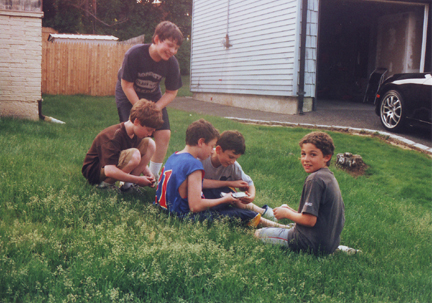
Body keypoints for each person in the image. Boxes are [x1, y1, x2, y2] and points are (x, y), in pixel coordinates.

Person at [155, 119, 286, 227]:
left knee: (226, 194)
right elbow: (195, 206)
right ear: (201, 142)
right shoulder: (194, 164)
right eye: (211, 146)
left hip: (166, 209)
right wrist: (223, 200)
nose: (212, 151)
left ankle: (263, 212)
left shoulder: (174, 156)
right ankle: (282, 229)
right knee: (244, 215)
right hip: (185, 217)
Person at [254, 131, 345, 255]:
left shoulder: (315, 179)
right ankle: (340, 249)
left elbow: (309, 221)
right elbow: (318, 218)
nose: (306, 159)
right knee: (291, 225)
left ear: (326, 157)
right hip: (330, 243)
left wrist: (286, 213)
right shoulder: (329, 177)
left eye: (312, 154)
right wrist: (293, 212)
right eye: (303, 154)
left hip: (309, 242)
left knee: (258, 234)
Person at [115, 21, 183, 181]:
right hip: (128, 95)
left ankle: (154, 176)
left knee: (164, 133)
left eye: (176, 48)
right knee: (134, 133)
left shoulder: (172, 63)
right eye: (169, 45)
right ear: (157, 39)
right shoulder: (134, 54)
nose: (173, 51)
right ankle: (125, 176)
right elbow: (127, 85)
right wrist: (141, 109)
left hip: (153, 97)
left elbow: (172, 92)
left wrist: (155, 108)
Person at [82, 99, 163, 192]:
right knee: (135, 154)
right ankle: (105, 186)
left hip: (112, 165)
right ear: (136, 122)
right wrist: (138, 179)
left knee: (150, 144)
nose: (149, 134)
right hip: (96, 171)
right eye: (148, 130)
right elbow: (109, 170)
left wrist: (148, 174)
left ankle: (128, 187)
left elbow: (135, 159)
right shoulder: (113, 135)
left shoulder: (136, 134)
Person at [200, 130, 277, 221]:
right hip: (200, 196)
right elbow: (199, 182)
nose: (232, 162)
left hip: (217, 197)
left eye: (235, 159)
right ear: (218, 150)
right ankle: (261, 213)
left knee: (236, 197)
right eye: (231, 157)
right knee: (229, 191)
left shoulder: (233, 166)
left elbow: (249, 183)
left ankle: (263, 212)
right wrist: (230, 183)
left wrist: (251, 196)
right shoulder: (203, 158)